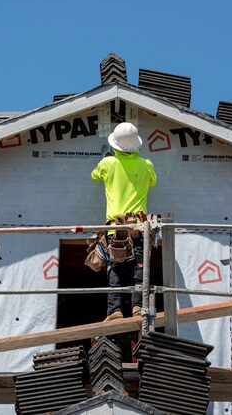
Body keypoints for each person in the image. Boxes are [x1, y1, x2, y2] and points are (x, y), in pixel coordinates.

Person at [91, 122, 157, 322]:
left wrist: (108, 160)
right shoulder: (146, 165)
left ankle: (115, 311)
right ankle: (138, 307)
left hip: (116, 228)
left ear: (115, 145)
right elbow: (152, 181)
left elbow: (94, 176)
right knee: (139, 267)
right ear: (136, 145)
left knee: (116, 268)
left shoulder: (108, 164)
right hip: (138, 226)